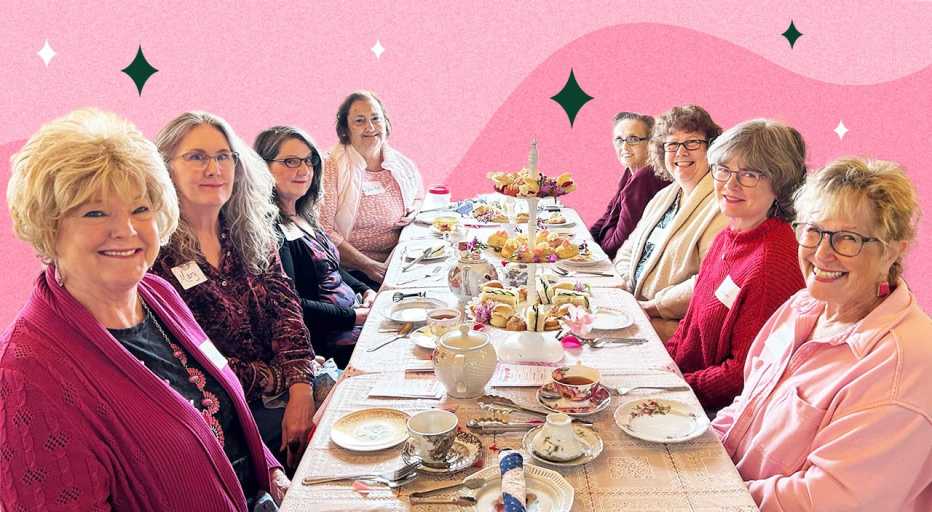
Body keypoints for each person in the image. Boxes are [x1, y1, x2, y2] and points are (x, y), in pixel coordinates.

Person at [1, 108, 288, 511]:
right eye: (95, 212)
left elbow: (218, 412)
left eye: (140, 209)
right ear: (49, 225)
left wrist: (270, 469)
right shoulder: (24, 374)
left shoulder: (158, 294)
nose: (127, 231)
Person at [712, 157, 931, 511]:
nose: (821, 253)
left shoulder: (904, 366)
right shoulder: (803, 307)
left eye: (847, 239)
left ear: (893, 250)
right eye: (812, 231)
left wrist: (705, 496)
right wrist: (695, 452)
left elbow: (826, 502)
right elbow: (744, 412)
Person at [151, 111, 317, 471]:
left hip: (288, 393)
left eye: (224, 156)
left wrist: (301, 387)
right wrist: (276, 379)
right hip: (223, 419)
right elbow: (186, 361)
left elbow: (287, 311)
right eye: (197, 157)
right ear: (166, 168)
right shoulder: (153, 253)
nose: (214, 169)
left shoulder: (250, 231)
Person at [664, 119, 806, 410]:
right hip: (683, 386)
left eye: (750, 174)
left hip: (713, 411)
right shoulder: (728, 237)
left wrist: (674, 388)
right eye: (723, 170)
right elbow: (689, 326)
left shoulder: (773, 262)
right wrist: (661, 366)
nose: (730, 184)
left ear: (780, 183)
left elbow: (741, 374)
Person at [254, 126, 377, 368]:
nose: (304, 170)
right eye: (290, 161)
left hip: (356, 319)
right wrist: (356, 316)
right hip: (333, 345)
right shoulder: (270, 231)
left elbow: (329, 267)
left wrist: (365, 290)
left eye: (309, 161)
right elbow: (292, 304)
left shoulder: (302, 215)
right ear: (262, 168)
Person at [613, 104, 728, 340]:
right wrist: (625, 290)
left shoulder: (722, 206)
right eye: (672, 144)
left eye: (693, 142)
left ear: (712, 148)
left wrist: (654, 306)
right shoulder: (664, 196)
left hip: (671, 329)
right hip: (635, 312)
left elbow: (709, 280)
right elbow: (628, 249)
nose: (681, 152)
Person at [318, 90, 424, 288]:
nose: (371, 127)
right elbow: (323, 230)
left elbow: (419, 197)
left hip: (402, 259)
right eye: (359, 121)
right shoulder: (330, 167)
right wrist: (368, 266)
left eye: (376, 118)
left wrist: (415, 209)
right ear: (345, 129)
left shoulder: (400, 163)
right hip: (356, 272)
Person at [590, 112, 670, 259]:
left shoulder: (646, 177)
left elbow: (622, 242)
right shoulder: (631, 172)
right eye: (619, 140)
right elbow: (608, 217)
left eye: (633, 139)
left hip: (621, 262)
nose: (624, 146)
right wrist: (586, 241)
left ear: (652, 143)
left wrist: (595, 251)